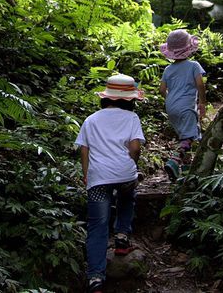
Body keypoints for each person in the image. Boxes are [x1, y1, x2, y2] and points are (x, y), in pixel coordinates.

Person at [74, 74, 146, 293]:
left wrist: (87, 175)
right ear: (130, 99)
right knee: (127, 196)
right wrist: (131, 164)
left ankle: (95, 277)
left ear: (106, 97)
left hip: (98, 178)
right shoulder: (131, 118)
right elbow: (135, 148)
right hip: (124, 174)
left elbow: (84, 150)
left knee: (97, 224)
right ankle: (123, 236)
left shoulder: (91, 120)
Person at [158, 29, 206, 179]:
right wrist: (202, 103)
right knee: (190, 136)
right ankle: (174, 161)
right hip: (186, 106)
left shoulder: (168, 69)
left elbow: (162, 89)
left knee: (184, 137)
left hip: (171, 106)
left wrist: (171, 99)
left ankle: (185, 172)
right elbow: (200, 85)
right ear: (188, 48)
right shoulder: (194, 66)